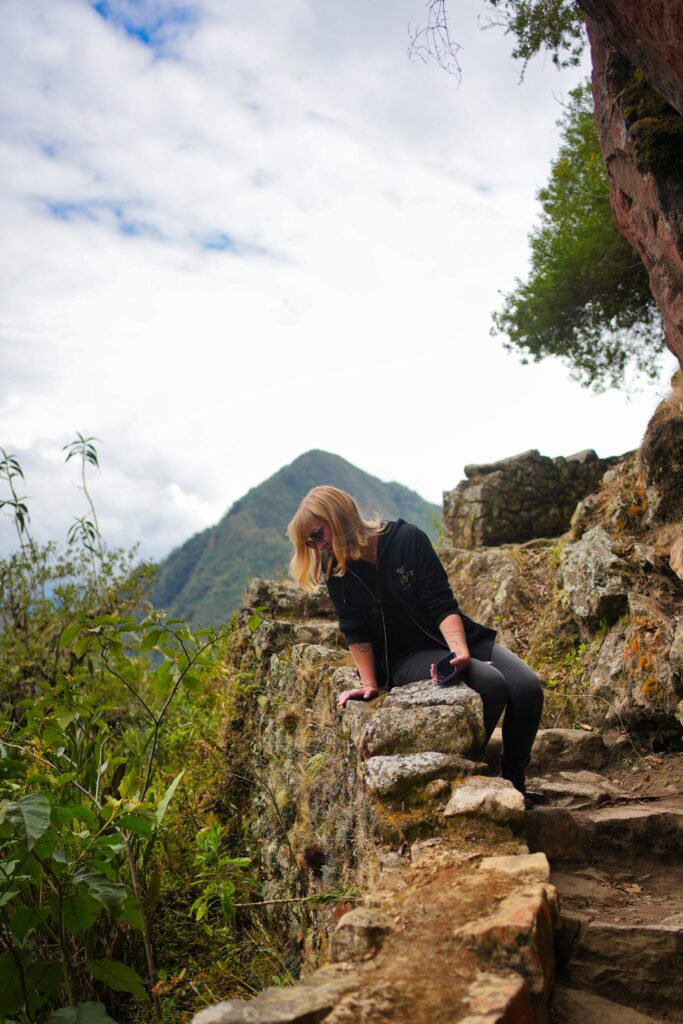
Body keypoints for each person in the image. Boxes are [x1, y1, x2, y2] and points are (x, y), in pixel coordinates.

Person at [287, 485, 543, 797]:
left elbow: (441, 603)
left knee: (527, 687)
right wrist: (370, 683)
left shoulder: (408, 540)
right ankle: (470, 770)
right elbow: (355, 631)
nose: (317, 546)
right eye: (309, 542)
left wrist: (460, 649)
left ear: (338, 515)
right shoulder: (337, 570)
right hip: (404, 657)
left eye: (317, 534)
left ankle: (514, 780)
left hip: (452, 634)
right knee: (491, 683)